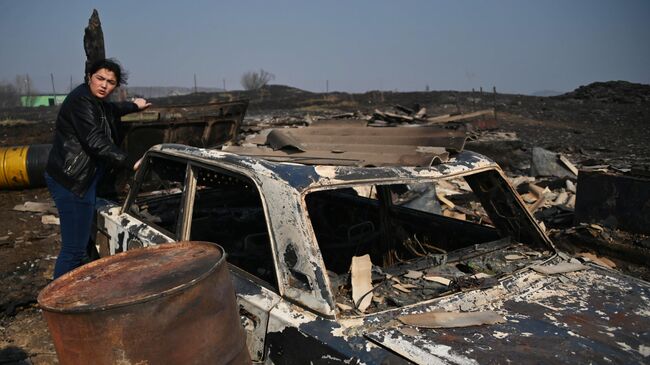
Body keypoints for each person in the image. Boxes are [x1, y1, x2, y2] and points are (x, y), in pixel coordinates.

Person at [45, 58, 151, 279]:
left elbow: (112, 109)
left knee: (82, 244)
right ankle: (57, 303)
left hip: (81, 178)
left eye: (110, 82)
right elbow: (95, 141)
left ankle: (78, 288)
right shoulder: (81, 101)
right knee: (73, 250)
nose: (104, 85)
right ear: (89, 77)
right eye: (100, 78)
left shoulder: (96, 101)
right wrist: (130, 161)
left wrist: (135, 106)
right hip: (72, 181)